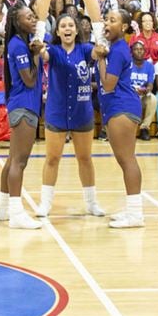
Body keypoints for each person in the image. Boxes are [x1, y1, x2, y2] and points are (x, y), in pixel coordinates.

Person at [33, 14, 105, 220]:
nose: (67, 28)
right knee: (52, 158)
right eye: (63, 25)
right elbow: (44, 55)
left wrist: (100, 44)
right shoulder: (53, 51)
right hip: (56, 112)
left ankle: (92, 203)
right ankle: (45, 203)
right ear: (57, 32)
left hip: (82, 112)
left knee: (85, 158)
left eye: (70, 25)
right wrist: (39, 45)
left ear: (76, 30)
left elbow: (96, 52)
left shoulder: (84, 49)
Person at [92, 9, 145, 228]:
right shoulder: (115, 48)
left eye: (112, 20)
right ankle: (132, 210)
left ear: (123, 28)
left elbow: (108, 84)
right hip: (118, 107)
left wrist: (102, 59)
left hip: (122, 106)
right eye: (106, 19)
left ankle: (135, 214)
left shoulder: (118, 50)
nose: (107, 23)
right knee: (126, 160)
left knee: (127, 160)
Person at [0, 5, 43, 230]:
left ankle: (3, 209)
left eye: (34, 16)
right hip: (24, 105)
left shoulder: (20, 43)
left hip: (21, 104)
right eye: (29, 17)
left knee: (12, 160)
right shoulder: (19, 46)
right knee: (19, 162)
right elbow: (30, 81)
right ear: (16, 21)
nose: (33, 19)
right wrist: (35, 55)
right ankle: (16, 213)